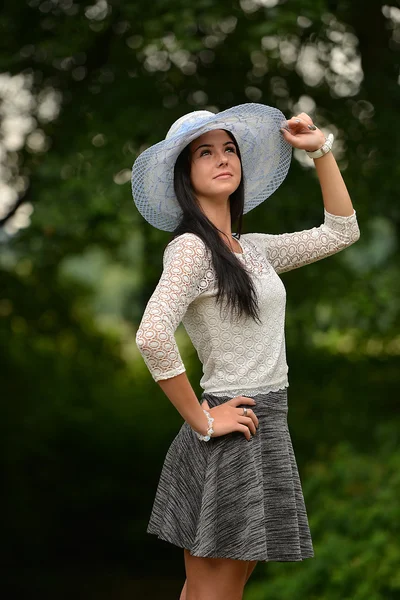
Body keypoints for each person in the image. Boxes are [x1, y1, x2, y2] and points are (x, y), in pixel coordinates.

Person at [131, 103, 360, 600]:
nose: (222, 158)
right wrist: (204, 420)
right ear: (184, 175)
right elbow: (151, 336)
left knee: (203, 593)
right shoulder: (192, 249)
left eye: (229, 148)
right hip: (234, 428)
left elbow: (342, 231)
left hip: (265, 425)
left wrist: (320, 151)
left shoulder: (251, 249)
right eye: (205, 152)